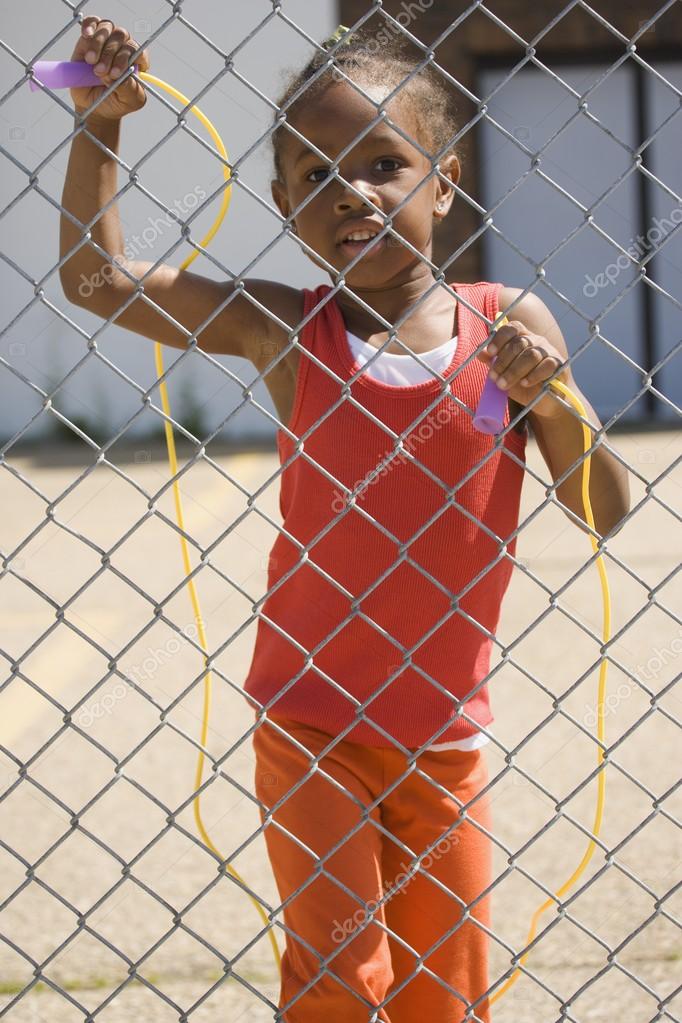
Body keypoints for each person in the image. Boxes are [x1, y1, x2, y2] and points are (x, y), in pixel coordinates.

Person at [58, 16, 630, 1022]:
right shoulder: (284, 326)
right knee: (333, 975)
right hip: (310, 722)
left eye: (381, 163)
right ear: (283, 205)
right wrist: (101, 125)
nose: (351, 194)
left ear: (445, 180)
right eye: (316, 176)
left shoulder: (506, 326)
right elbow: (95, 281)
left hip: (445, 736)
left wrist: (552, 402)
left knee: (444, 989)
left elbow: (602, 511)